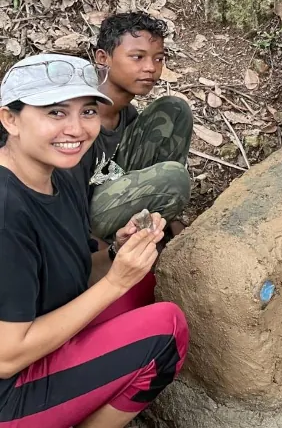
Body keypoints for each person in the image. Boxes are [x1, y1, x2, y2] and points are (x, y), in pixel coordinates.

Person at [0, 54, 189, 427]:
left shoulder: (61, 174)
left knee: (147, 282)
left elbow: (68, 277)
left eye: (87, 111)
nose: (76, 129)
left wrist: (118, 253)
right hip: (9, 387)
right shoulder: (7, 213)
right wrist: (116, 281)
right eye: (55, 113)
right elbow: (7, 355)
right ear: (10, 119)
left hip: (41, 332)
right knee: (168, 329)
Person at [73, 13, 193, 241]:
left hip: (109, 186)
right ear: (102, 58)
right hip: (79, 216)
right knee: (174, 178)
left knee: (174, 109)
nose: (150, 68)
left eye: (158, 59)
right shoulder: (78, 119)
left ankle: (162, 217)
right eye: (137, 57)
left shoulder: (126, 114)